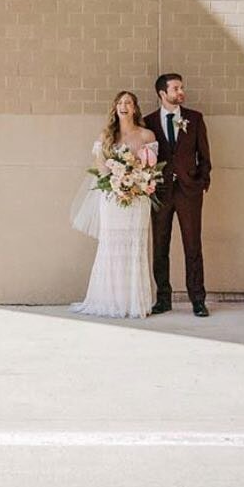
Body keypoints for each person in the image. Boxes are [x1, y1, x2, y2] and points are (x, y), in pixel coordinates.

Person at [70, 91, 158, 319]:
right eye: (120, 102)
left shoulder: (147, 135)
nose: (124, 105)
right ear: (115, 108)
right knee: (111, 247)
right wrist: (118, 182)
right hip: (112, 200)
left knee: (134, 247)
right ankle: (108, 300)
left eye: (128, 102)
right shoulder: (106, 136)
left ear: (135, 108)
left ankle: (134, 303)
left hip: (138, 198)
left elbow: (150, 169)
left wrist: (134, 181)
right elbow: (101, 171)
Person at [144, 73, 212, 318]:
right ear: (163, 93)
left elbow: (204, 155)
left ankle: (198, 300)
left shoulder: (194, 118)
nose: (181, 91)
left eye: (181, 87)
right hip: (160, 192)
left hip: (189, 192)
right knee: (160, 246)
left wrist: (202, 182)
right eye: (176, 88)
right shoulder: (148, 121)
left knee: (192, 245)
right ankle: (163, 299)